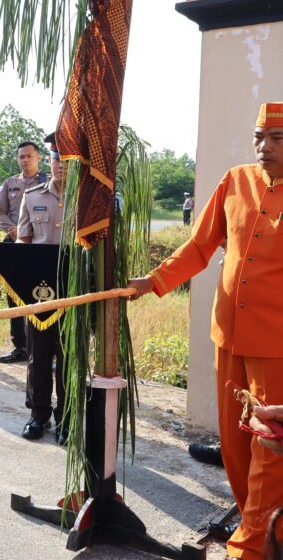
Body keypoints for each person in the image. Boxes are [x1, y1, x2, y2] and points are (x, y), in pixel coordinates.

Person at [128, 102, 283, 560]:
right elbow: (200, 246)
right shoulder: (236, 181)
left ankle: (251, 547)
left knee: (269, 449)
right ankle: (262, 525)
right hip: (228, 336)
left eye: (277, 139)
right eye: (259, 137)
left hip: (275, 344)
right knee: (235, 447)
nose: (265, 147)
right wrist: (153, 281)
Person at [16, 133, 67, 444]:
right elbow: (23, 242)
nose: (62, 165)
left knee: (68, 355)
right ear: (49, 160)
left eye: (69, 160)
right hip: (39, 291)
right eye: (58, 158)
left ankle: (67, 415)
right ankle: (38, 413)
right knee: (37, 353)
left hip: (73, 291)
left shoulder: (87, 201)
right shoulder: (32, 196)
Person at [0, 140, 48, 364]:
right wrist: (12, 228)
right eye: (21, 157)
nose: (24, 160)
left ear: (39, 158)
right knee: (15, 296)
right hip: (15, 244)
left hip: (40, 245)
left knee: (42, 295)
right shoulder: (10, 183)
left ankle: (44, 348)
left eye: (29, 156)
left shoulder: (49, 182)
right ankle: (19, 346)